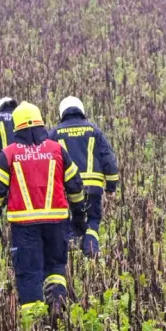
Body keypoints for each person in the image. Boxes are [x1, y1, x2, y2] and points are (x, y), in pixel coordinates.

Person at [0, 102, 88, 318]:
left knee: (29, 272)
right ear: (41, 123)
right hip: (57, 221)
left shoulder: (9, 154)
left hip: (24, 226)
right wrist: (79, 215)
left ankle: (33, 322)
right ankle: (57, 302)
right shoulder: (57, 150)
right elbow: (75, 185)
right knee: (56, 266)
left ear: (16, 127)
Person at [53, 96, 121, 258]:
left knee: (69, 219)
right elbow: (108, 159)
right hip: (93, 187)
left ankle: (71, 252)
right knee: (93, 219)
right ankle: (91, 250)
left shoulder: (55, 133)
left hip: (67, 187)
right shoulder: (94, 131)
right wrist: (111, 187)